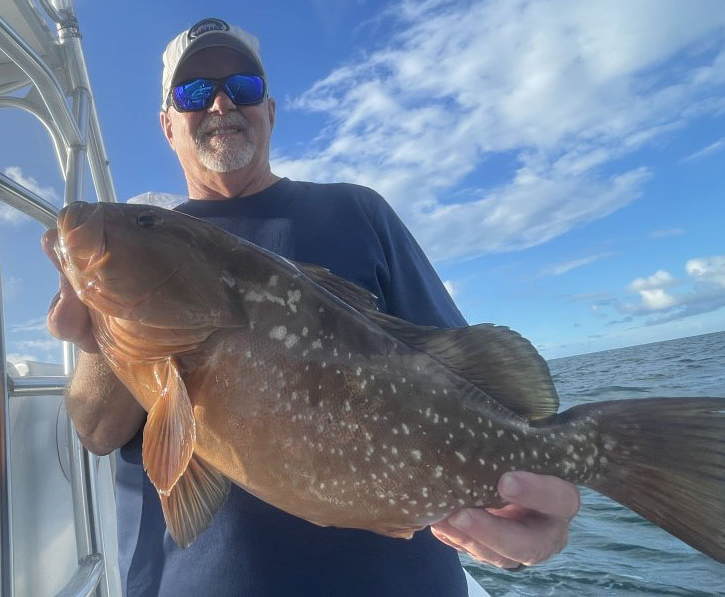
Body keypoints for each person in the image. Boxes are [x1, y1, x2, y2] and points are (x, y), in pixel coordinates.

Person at [42, 17, 580, 596]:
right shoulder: (146, 250)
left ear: (269, 111)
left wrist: (530, 511)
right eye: (194, 93)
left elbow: (481, 384)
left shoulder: (357, 212)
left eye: (242, 88)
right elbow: (96, 431)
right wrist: (105, 336)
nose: (221, 102)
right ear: (167, 125)